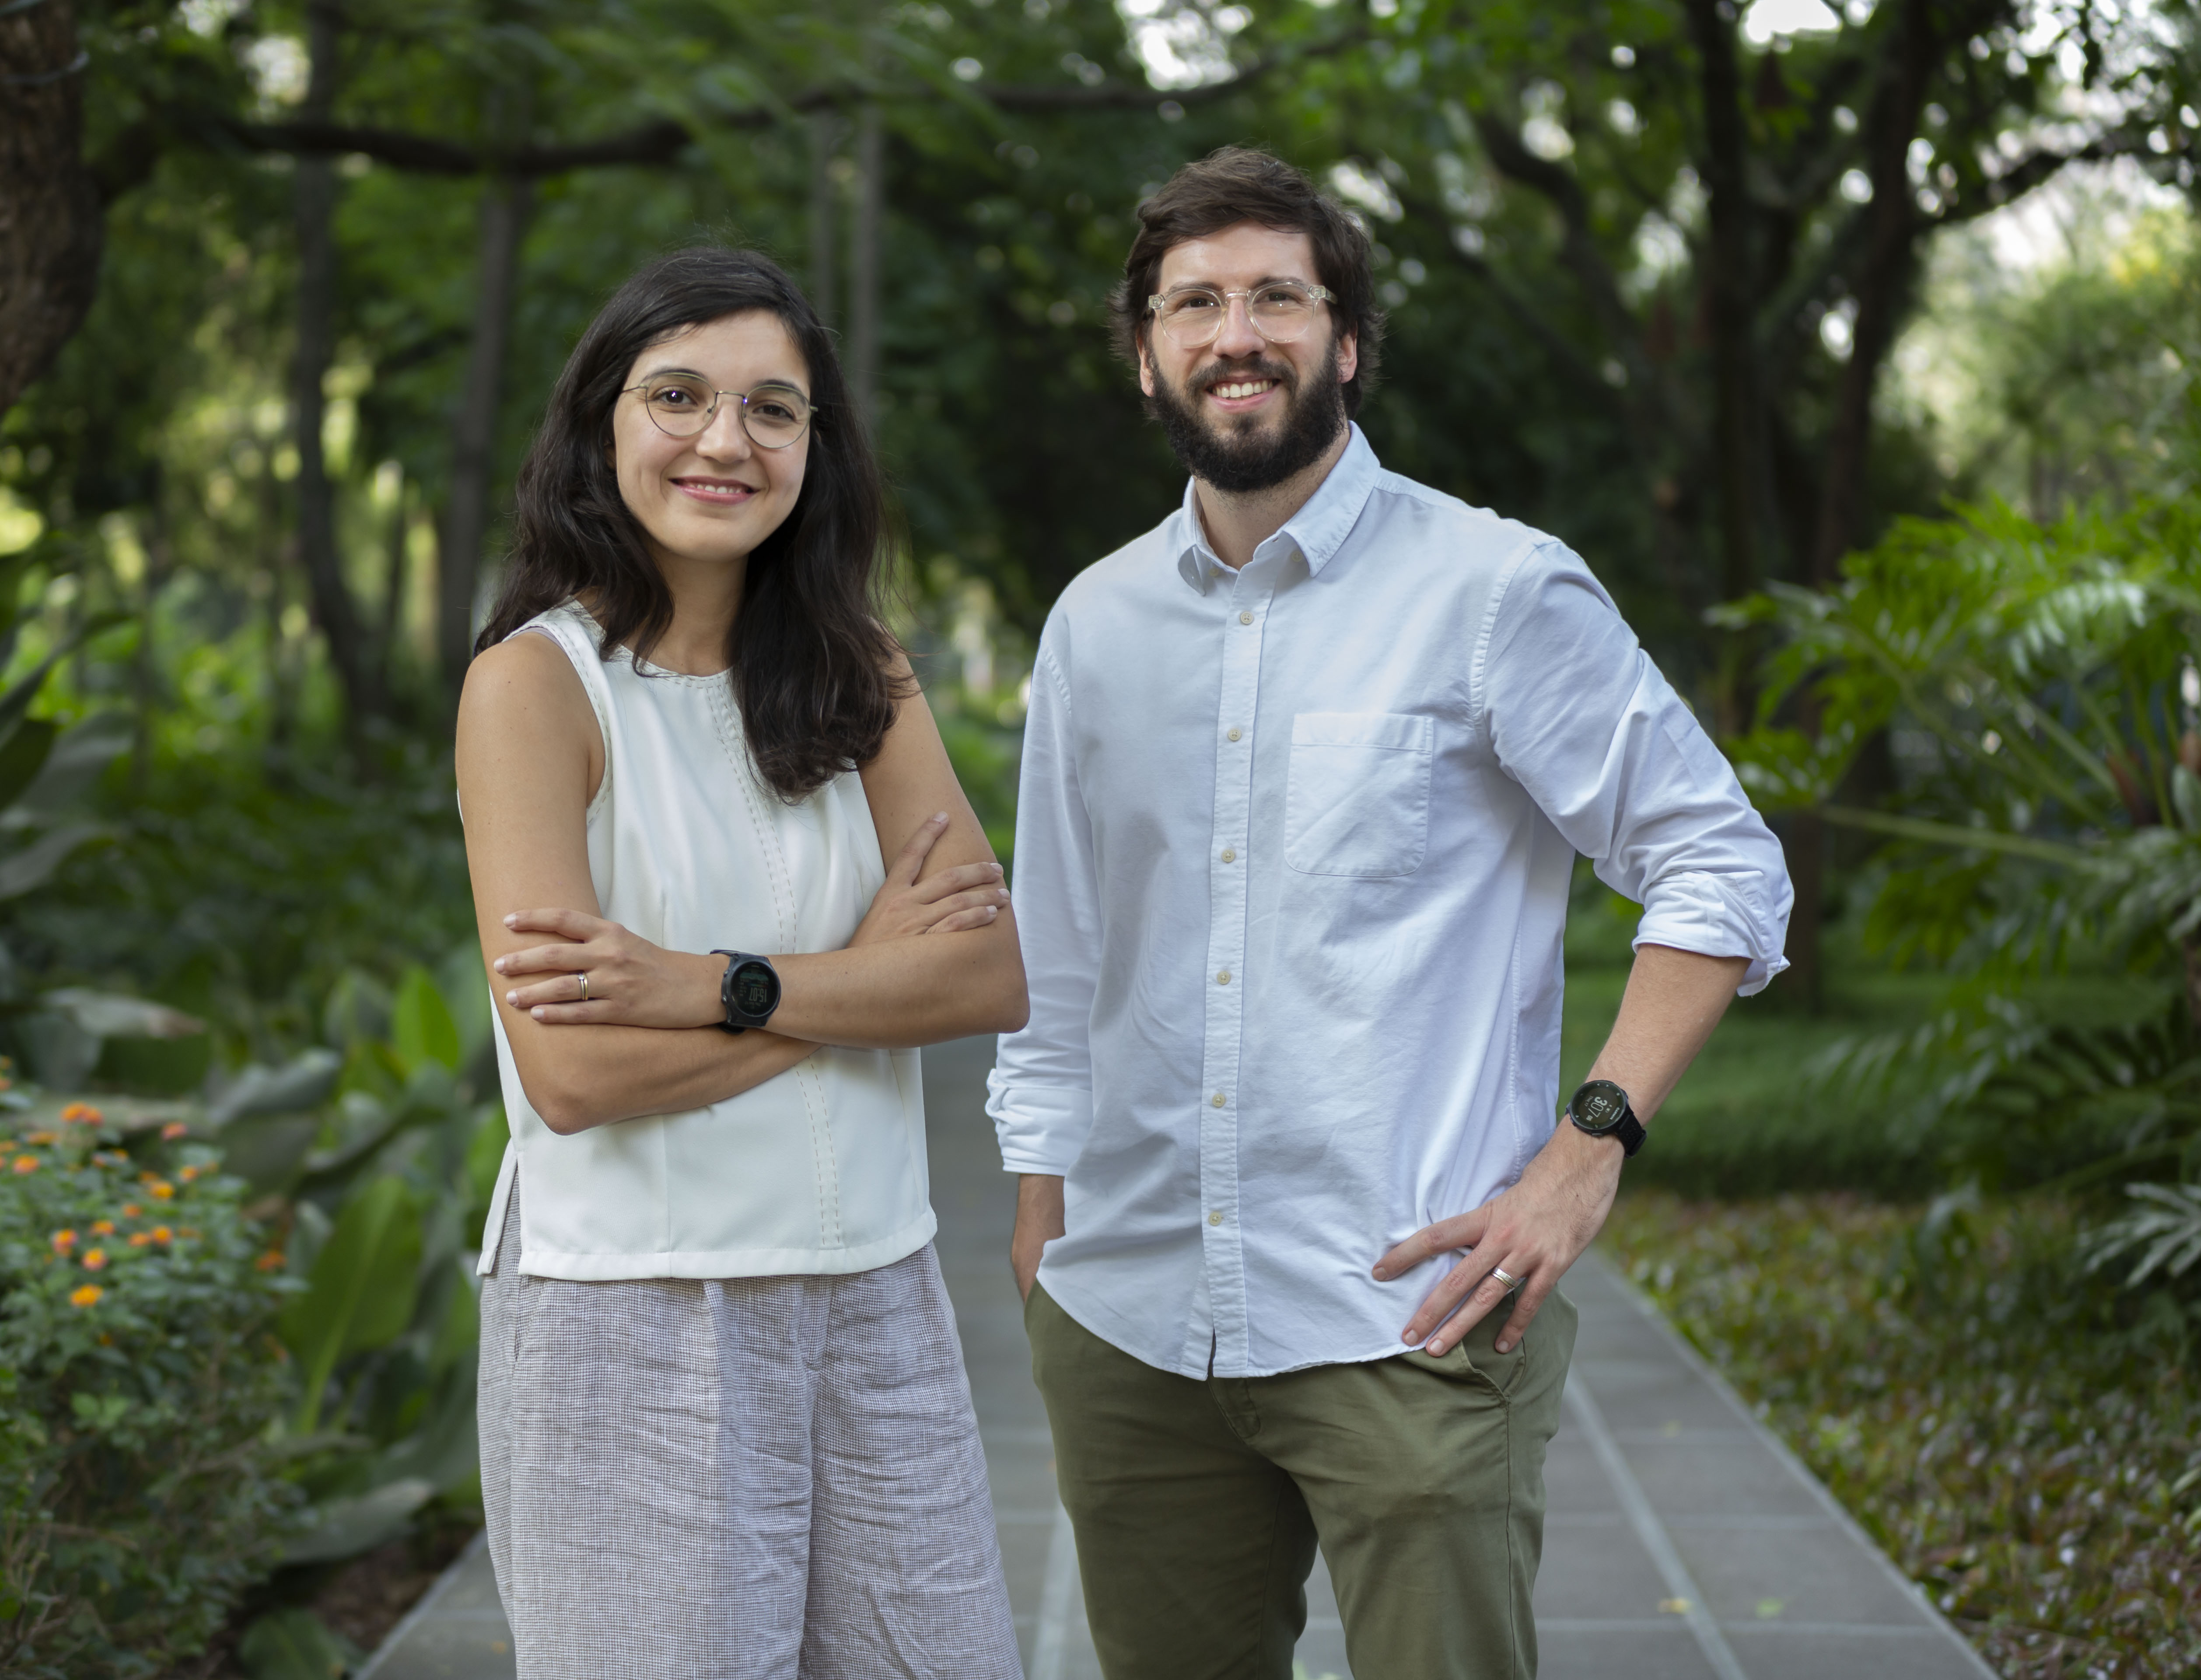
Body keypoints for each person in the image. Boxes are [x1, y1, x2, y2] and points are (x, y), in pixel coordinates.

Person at [987, 147, 1794, 1679]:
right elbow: (1064, 943)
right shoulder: (1095, 624)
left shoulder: (1495, 589)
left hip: (1409, 1323)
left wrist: (1586, 1153)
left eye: (1278, 296)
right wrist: (1042, 1219)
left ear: (1345, 343)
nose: (1238, 333)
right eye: (1196, 301)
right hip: (1133, 1326)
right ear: (1149, 354)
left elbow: (1723, 865)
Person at [455, 246, 1029, 1680]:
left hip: (877, 1292)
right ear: (604, 423)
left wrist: (714, 983)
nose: (728, 440)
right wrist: (860, 982)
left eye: (775, 408)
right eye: (680, 396)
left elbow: (986, 978)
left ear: (814, 451)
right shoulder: (536, 688)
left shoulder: (864, 675)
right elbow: (577, 1072)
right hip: (635, 1310)